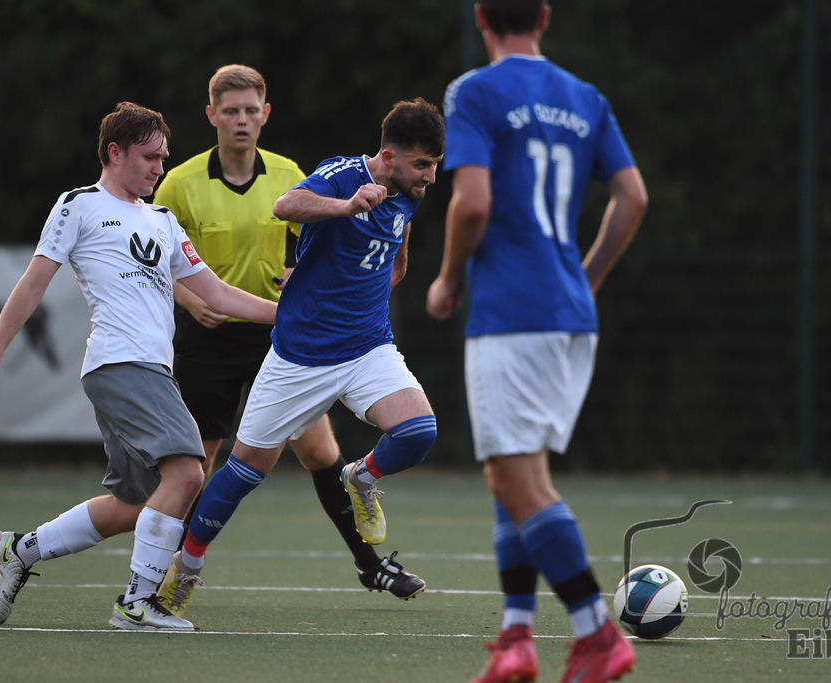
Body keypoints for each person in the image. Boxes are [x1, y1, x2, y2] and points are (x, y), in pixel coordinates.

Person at [0, 101, 277, 631]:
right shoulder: (78, 205)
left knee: (137, 503)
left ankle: (21, 550)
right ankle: (136, 604)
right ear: (115, 152)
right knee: (186, 471)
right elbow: (34, 282)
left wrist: (291, 316)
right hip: (119, 362)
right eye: (150, 157)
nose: (160, 168)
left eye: (164, 158)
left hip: (149, 370)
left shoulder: (162, 219)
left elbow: (217, 294)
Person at [426, 2, 648, 682]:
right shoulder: (585, 96)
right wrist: (588, 275)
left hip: (514, 311)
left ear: (481, 17)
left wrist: (446, 277)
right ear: (545, 16)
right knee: (518, 473)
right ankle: (516, 637)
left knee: (511, 477)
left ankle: (596, 633)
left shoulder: (476, 90)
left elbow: (472, 202)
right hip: (569, 311)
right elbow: (633, 197)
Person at [156, 98, 445, 617]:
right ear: (389, 155)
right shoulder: (343, 175)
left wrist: (339, 281)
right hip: (301, 358)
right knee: (245, 469)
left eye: (436, 165)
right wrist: (347, 206)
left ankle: (362, 478)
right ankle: (187, 566)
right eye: (422, 165)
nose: (431, 176)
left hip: (366, 348)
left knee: (419, 432)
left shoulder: (409, 193)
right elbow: (285, 206)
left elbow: (395, 260)